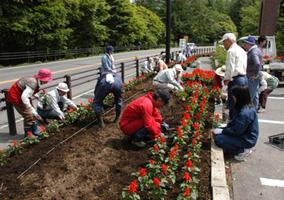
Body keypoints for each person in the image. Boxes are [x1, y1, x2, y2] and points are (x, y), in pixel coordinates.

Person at [213, 84, 259, 161]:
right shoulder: (247, 106)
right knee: (220, 133)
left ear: (239, 97)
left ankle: (243, 151)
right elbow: (235, 121)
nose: (232, 97)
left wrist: (223, 130)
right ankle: (241, 147)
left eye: (234, 95)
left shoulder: (245, 113)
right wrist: (227, 125)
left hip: (246, 139)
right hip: (244, 135)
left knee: (219, 139)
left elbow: (237, 131)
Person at [6, 68, 53, 137]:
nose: (48, 81)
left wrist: (37, 97)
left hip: (23, 96)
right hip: (16, 97)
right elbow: (24, 97)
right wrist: (30, 108)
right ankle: (28, 134)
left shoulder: (35, 81)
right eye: (47, 80)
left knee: (33, 115)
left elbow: (30, 91)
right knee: (28, 116)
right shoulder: (33, 83)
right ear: (42, 78)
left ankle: (35, 131)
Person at [219, 33, 248, 120]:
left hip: (235, 79)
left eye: (224, 42)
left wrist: (226, 80)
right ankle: (241, 124)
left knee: (234, 104)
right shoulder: (241, 50)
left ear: (228, 40)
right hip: (243, 78)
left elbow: (230, 67)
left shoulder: (231, 51)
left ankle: (234, 125)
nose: (224, 45)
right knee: (242, 104)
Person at [243, 36, 263, 110]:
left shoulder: (254, 51)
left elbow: (257, 63)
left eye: (245, 45)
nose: (244, 47)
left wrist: (255, 74)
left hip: (252, 77)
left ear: (249, 44)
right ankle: (254, 111)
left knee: (250, 96)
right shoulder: (256, 50)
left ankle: (249, 112)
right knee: (255, 96)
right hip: (255, 76)